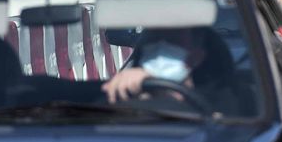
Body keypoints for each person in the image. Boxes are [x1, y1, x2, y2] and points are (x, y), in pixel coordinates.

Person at [102, 27, 247, 114]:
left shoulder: (223, 106)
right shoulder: (113, 100)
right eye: (154, 38)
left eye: (172, 40)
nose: (160, 47)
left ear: (197, 57)